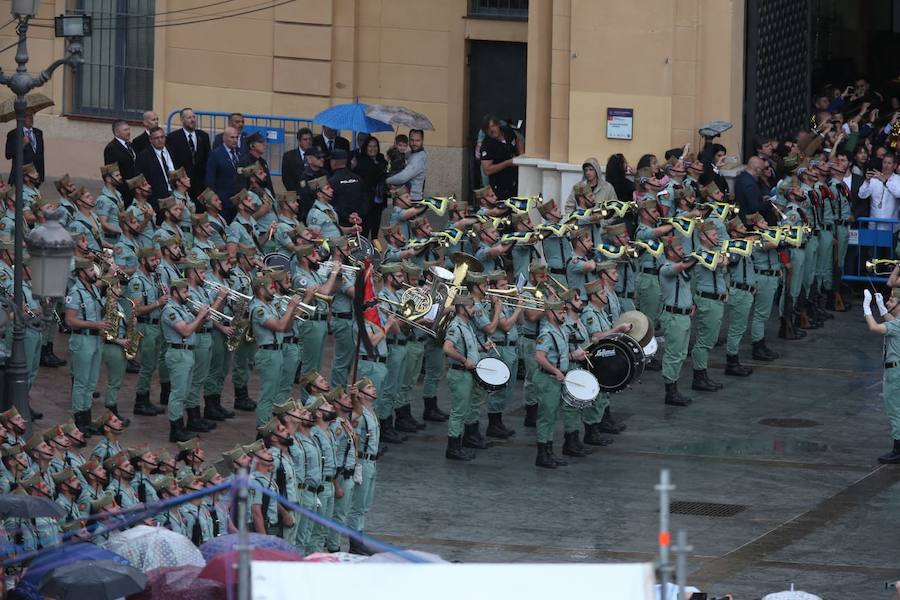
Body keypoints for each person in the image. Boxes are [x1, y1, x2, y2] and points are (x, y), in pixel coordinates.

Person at [160, 278, 210, 443]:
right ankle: (176, 429)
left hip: (187, 353)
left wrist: (202, 317)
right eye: (184, 292)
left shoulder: (183, 308)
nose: (188, 295)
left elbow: (195, 327)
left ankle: (182, 426)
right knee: (178, 394)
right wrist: (200, 315)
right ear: (174, 292)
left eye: (188, 291)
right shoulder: (170, 310)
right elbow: (186, 331)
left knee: (185, 393)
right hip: (178, 353)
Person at [441, 295, 482, 461]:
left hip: (466, 374)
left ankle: (458, 445)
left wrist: (482, 347)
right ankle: (453, 448)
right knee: (458, 412)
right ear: (462, 309)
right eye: (471, 307)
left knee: (463, 410)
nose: (474, 310)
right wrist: (464, 360)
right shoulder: (456, 326)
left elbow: (467, 346)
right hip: (460, 374)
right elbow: (447, 348)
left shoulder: (466, 325)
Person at [862, 288, 900, 463]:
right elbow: (891, 322)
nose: (887, 302)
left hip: (895, 372)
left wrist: (867, 308)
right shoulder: (897, 322)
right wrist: (881, 307)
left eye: (892, 301)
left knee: (895, 410)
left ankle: (898, 450)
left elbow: (874, 327)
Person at [659, 237, 694, 407]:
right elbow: (681, 267)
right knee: (673, 354)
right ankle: (670, 391)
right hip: (674, 317)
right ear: (670, 252)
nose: (683, 252)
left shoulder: (680, 268)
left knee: (681, 354)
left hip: (683, 316)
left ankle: (674, 387)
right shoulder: (666, 268)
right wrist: (699, 257)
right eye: (679, 249)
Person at [167, 107, 211, 199]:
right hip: (183, 183)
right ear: (182, 120)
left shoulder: (203, 136)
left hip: (200, 184)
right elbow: (172, 160)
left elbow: (208, 158)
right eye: (189, 118)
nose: (192, 120)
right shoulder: (173, 137)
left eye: (193, 117)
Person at [206, 126, 244, 222]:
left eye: (237, 137)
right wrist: (215, 198)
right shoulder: (216, 154)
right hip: (223, 200)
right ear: (224, 138)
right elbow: (210, 179)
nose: (235, 140)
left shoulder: (239, 153)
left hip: (237, 200)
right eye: (232, 137)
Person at [478, 115, 520, 200]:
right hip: (500, 185)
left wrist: (521, 156)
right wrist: (508, 163)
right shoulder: (487, 145)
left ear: (498, 125)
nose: (491, 130)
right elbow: (487, 170)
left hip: (517, 179)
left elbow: (518, 140)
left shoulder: (508, 131)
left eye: (493, 126)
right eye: (488, 129)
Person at [355, 136, 389, 240]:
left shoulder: (381, 159)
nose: (372, 149)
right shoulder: (361, 160)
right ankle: (364, 252)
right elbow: (372, 174)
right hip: (366, 201)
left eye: (375, 146)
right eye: (370, 146)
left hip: (379, 200)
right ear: (365, 147)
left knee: (375, 230)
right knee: (365, 229)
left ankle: (375, 251)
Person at [135, 127, 176, 205]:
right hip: (157, 197)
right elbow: (141, 178)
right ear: (150, 140)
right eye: (156, 138)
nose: (160, 140)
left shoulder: (171, 150)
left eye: (162, 137)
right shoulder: (143, 156)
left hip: (175, 193)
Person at [386, 129, 428, 200]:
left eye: (417, 140)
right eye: (412, 140)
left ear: (422, 141)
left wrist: (386, 180)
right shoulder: (410, 154)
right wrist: (393, 152)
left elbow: (402, 178)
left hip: (412, 199)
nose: (414, 143)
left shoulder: (419, 157)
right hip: (401, 197)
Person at [104, 120, 138, 206]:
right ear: (116, 132)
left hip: (134, 188)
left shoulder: (130, 145)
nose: (129, 132)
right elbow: (112, 172)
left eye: (129, 129)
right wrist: (123, 186)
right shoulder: (111, 148)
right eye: (125, 130)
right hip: (123, 190)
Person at [6, 109, 44, 184]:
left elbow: (40, 155)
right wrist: (22, 144)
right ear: (21, 118)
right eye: (27, 116)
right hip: (21, 176)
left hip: (35, 176)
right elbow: (8, 155)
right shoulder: (14, 134)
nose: (30, 118)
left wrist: (41, 175)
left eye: (31, 115)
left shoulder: (38, 133)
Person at [281, 127, 314, 192]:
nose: (308, 141)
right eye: (305, 139)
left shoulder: (316, 156)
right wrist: (295, 193)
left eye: (310, 139)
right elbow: (286, 177)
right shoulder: (289, 156)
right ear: (299, 141)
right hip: (296, 193)